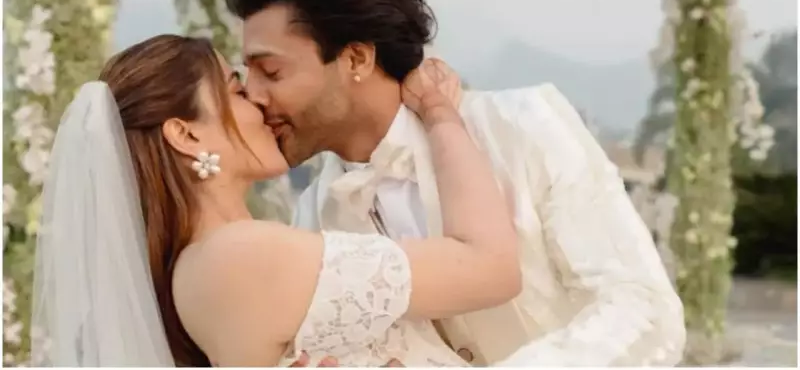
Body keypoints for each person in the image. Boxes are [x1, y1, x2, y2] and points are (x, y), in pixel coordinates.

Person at [226, 0, 687, 366]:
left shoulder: (522, 126)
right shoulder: (313, 217)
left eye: (271, 72)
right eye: (248, 74)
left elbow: (644, 310)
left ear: (356, 60)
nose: (253, 95)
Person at [31, 34, 521, 366]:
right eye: (236, 91)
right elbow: (491, 268)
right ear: (186, 134)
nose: (261, 102)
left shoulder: (207, 267)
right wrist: (438, 112)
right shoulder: (240, 257)